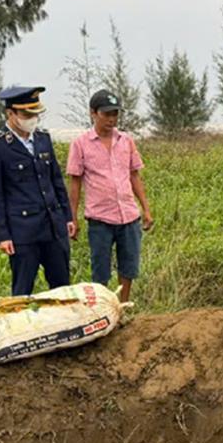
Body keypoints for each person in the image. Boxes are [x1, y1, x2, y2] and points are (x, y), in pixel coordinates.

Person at [0, 86, 74, 296]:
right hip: (23, 231)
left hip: (53, 227)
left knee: (62, 288)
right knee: (22, 290)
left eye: (35, 114)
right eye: (26, 114)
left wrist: (67, 217)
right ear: (10, 113)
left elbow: (55, 180)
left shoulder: (42, 139)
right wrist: (1, 235)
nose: (32, 119)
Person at [66, 89, 153, 303]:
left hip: (128, 216)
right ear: (93, 113)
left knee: (129, 265)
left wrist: (146, 209)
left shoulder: (126, 141)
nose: (112, 119)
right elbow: (75, 181)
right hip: (100, 219)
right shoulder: (81, 144)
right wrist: (73, 217)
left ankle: (123, 305)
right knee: (100, 270)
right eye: (106, 114)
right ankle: (103, 307)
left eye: (115, 114)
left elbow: (134, 175)